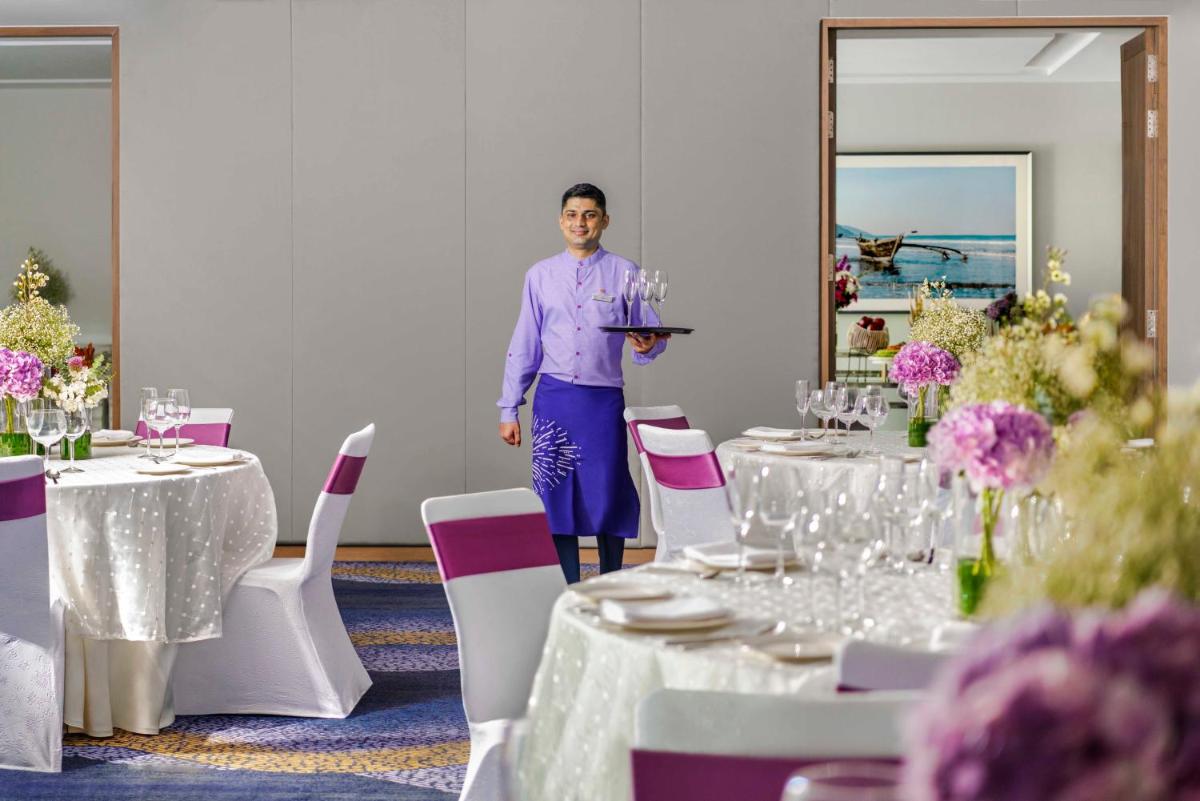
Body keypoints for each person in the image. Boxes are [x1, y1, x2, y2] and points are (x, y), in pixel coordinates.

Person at [498, 183, 669, 583]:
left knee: (608, 492)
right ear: (561, 222)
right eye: (573, 215)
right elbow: (525, 343)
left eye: (590, 214)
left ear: (604, 221)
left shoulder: (625, 271)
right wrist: (509, 407)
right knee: (556, 497)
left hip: (603, 401)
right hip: (554, 400)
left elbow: (650, 333)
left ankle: (611, 581)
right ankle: (567, 587)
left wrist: (647, 345)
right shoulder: (539, 275)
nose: (581, 223)